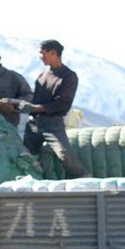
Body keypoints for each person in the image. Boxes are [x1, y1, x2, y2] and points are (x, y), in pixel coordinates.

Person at [22, 40, 90, 178]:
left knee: (64, 155)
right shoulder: (42, 76)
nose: (40, 56)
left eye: (43, 52)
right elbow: (36, 99)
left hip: (53, 123)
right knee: (29, 157)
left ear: (53, 53)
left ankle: (84, 179)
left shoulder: (68, 76)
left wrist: (36, 108)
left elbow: (63, 103)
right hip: (34, 124)